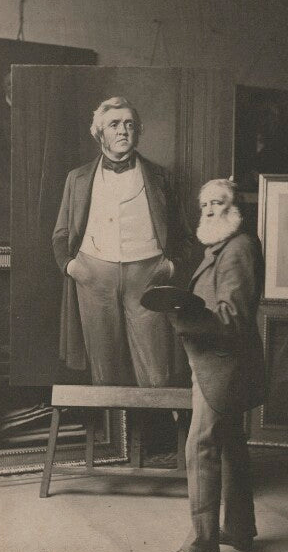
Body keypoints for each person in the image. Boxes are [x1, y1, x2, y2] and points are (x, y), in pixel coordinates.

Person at [158, 179, 265, 552]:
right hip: (214, 361)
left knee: (200, 446)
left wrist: (184, 312)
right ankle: (239, 529)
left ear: (234, 209)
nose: (207, 210)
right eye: (204, 204)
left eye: (217, 203)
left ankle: (203, 544)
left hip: (223, 364)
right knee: (231, 441)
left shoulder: (238, 249)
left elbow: (233, 319)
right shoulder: (222, 248)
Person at [52, 95, 191, 385]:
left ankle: (153, 417)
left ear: (137, 131)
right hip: (93, 275)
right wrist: (72, 267)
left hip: (148, 275)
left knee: (156, 373)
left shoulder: (162, 178)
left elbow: (183, 235)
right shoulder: (77, 178)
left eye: (129, 124)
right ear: (99, 133)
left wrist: (170, 267)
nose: (123, 131)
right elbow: (61, 234)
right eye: (114, 124)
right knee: (104, 372)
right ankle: (110, 418)